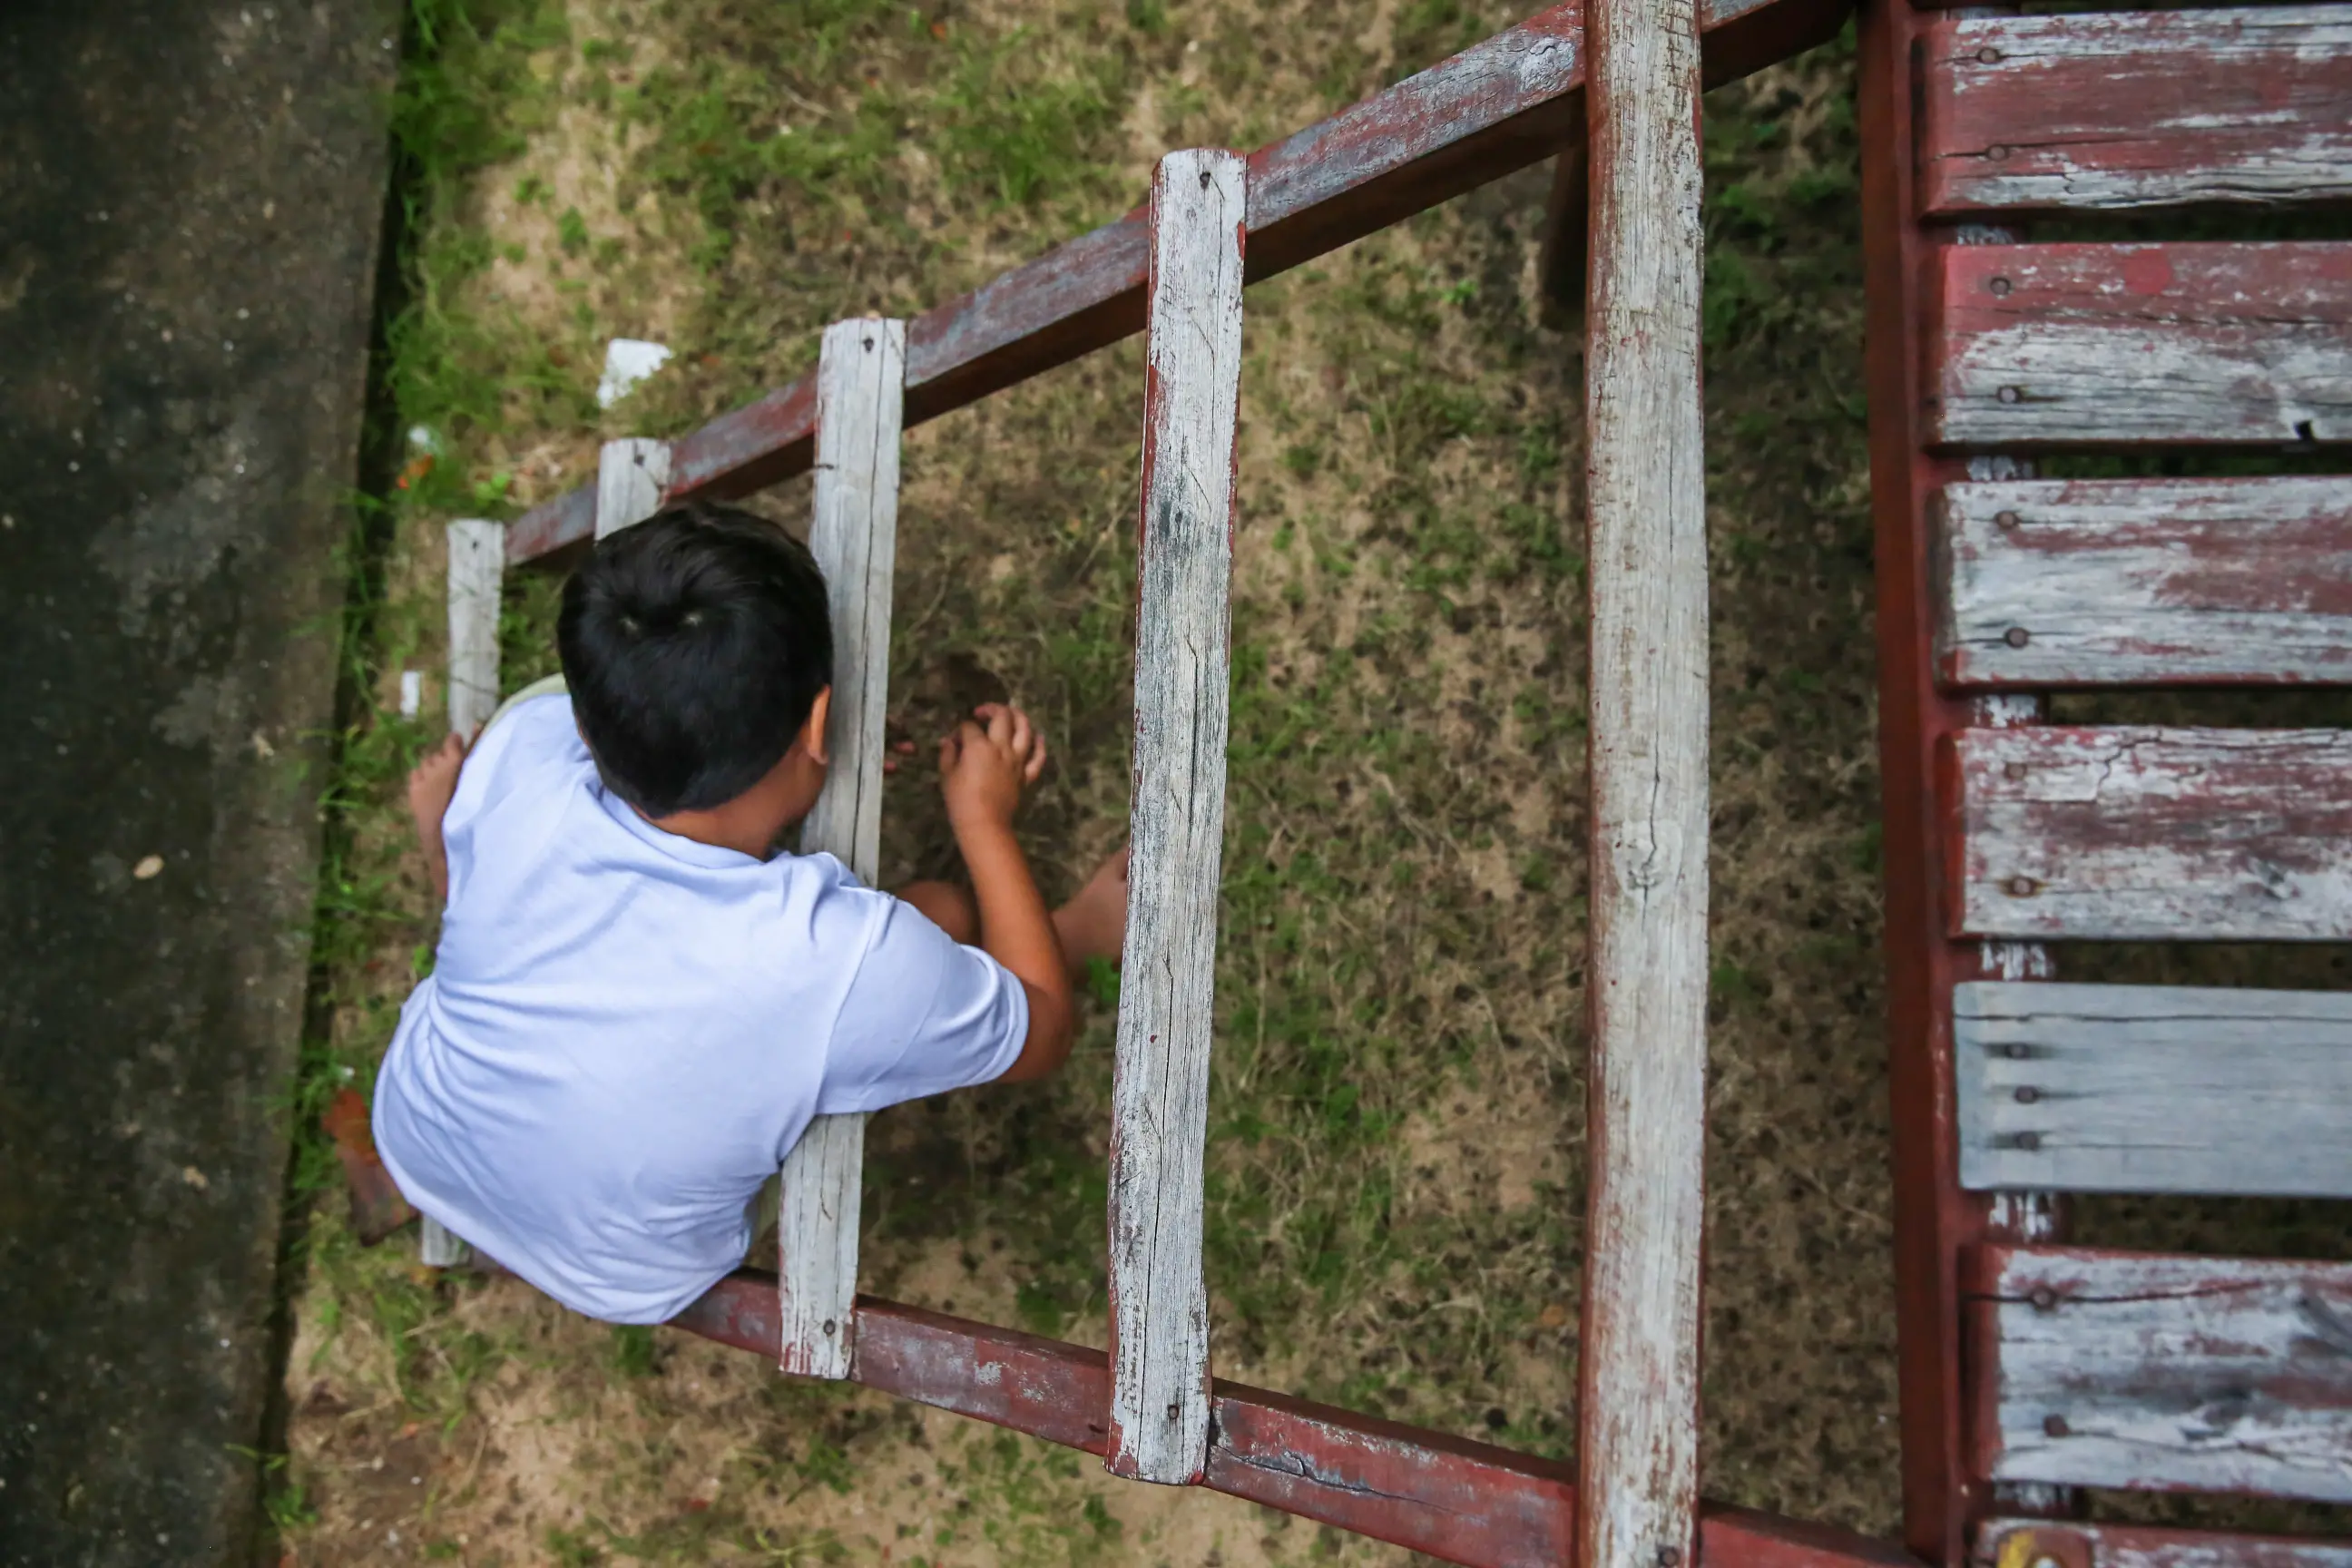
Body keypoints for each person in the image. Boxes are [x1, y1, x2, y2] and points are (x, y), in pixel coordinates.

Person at [373, 503, 1128, 1324]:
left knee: (501, 865)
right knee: (944, 911)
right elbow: (1044, 1033)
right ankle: (1082, 930)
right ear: (819, 726)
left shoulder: (520, 745)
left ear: (587, 723)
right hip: (626, 1269)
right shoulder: (841, 958)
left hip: (417, 1135)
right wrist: (983, 819)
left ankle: (451, 849)